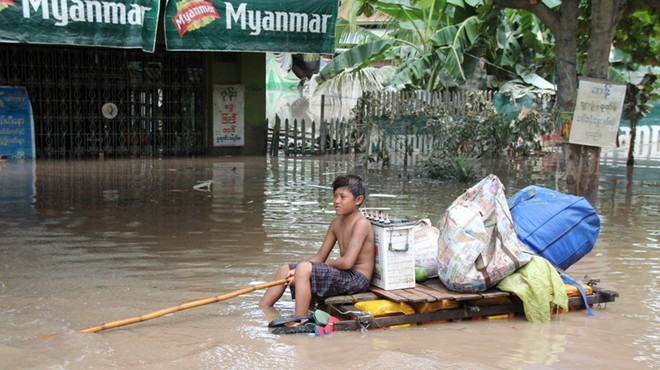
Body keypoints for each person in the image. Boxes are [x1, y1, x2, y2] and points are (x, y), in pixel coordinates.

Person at [259, 174, 375, 317]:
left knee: (304, 268)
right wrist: (297, 270)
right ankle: (262, 310)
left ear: (358, 200)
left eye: (343, 197)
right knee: (286, 269)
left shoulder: (362, 223)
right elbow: (320, 256)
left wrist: (307, 269)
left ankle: (300, 320)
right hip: (344, 274)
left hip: (356, 279)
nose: (336, 201)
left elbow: (347, 263)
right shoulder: (336, 224)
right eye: (335, 196)